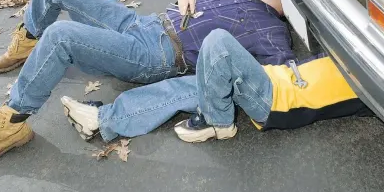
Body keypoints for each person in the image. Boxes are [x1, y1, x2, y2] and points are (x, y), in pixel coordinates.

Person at [0, 0, 294, 165]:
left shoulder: (274, 35)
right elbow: (196, 1)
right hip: (143, 23)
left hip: (154, 55)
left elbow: (271, 84)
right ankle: (29, 40)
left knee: (61, 37)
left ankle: (13, 122)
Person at [60, 29, 367, 143]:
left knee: (218, 43)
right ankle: (104, 121)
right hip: (270, 79)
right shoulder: (357, 48)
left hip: (276, 101)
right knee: (183, 88)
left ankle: (218, 122)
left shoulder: (379, 87)